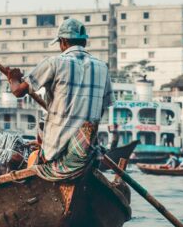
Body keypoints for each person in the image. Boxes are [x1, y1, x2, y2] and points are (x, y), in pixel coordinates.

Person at [6, 18, 113, 180]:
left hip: (55, 150)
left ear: (63, 42)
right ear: (84, 42)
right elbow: (103, 107)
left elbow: (18, 92)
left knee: (33, 157)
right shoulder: (102, 67)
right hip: (87, 150)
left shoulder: (54, 63)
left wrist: (13, 79)